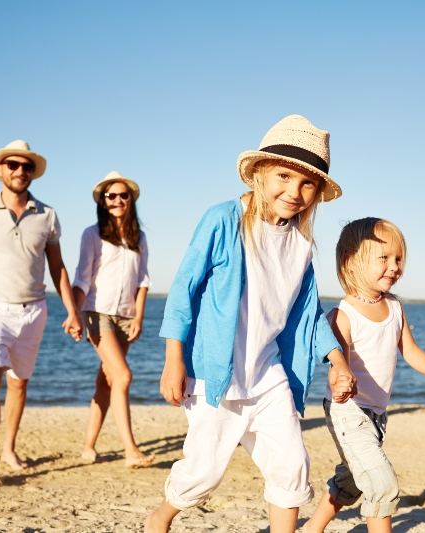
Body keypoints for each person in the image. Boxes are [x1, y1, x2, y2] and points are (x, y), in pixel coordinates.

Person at [145, 115, 356, 533]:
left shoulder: (300, 245)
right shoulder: (224, 219)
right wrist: (174, 360)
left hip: (269, 374)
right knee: (203, 472)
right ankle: (160, 517)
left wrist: (338, 360)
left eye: (307, 184)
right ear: (260, 172)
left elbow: (308, 314)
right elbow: (185, 288)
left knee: (291, 466)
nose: (293, 192)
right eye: (283, 176)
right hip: (215, 373)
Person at [303, 217, 425, 533]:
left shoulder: (395, 307)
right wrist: (340, 382)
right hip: (348, 412)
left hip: (377, 415)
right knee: (381, 483)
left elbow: (410, 351)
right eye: (384, 258)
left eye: (399, 259)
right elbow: (338, 364)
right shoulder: (343, 315)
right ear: (351, 262)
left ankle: (311, 529)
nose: (394, 266)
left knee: (351, 480)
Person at [0, 140, 83, 488]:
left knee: (19, 383)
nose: (20, 171)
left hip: (33, 310)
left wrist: (72, 311)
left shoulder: (47, 215)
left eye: (26, 167)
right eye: (13, 165)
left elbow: (58, 268)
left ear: (33, 173)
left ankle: (9, 448)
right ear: (1, 170)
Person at [72, 171, 154, 468]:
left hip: (126, 317)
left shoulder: (138, 237)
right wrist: (73, 313)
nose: (118, 200)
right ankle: (131, 451)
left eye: (123, 195)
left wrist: (139, 317)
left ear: (130, 199)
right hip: (97, 313)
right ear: (103, 201)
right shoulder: (92, 235)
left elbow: (143, 280)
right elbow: (82, 278)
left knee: (106, 381)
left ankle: (88, 447)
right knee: (123, 376)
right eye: (111, 196)